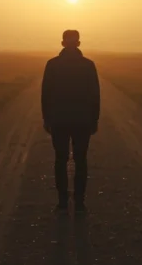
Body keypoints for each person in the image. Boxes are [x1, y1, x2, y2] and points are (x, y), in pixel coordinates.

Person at [41, 30, 100, 212]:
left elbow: (46, 94)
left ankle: (63, 201)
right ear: (79, 43)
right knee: (81, 160)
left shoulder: (52, 65)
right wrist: (94, 119)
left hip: (59, 119)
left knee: (60, 159)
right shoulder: (88, 65)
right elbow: (95, 95)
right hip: (82, 120)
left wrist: (47, 118)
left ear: (62, 43)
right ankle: (80, 202)